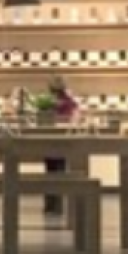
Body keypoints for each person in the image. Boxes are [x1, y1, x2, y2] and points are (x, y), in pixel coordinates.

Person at [42, 75, 80, 215]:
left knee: (50, 172)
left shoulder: (49, 103)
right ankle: (56, 204)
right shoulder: (70, 102)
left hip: (49, 141)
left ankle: (51, 204)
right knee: (59, 171)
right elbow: (75, 119)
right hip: (63, 141)